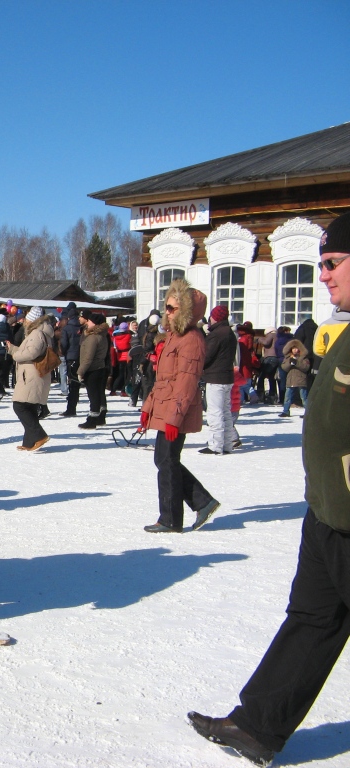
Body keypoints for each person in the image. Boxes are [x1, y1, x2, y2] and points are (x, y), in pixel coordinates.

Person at [187, 211, 350, 768]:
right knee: (309, 619)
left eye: (332, 263)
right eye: (322, 263)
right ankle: (259, 725)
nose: (323, 275)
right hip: (328, 512)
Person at [139, 279, 218, 533]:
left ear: (186, 312)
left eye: (173, 309)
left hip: (177, 409)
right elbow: (162, 379)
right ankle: (202, 502)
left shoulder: (192, 339)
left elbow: (186, 382)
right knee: (164, 459)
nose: (167, 312)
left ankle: (172, 518)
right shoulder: (174, 336)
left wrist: (174, 418)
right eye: (167, 307)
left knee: (167, 460)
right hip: (165, 405)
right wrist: (148, 408)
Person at [7, 307, 53, 451]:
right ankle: (29, 442)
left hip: (31, 375)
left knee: (20, 406)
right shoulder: (41, 332)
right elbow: (30, 351)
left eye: (27, 318)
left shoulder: (37, 333)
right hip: (34, 375)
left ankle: (39, 435)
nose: (24, 321)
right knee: (30, 407)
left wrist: (15, 355)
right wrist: (12, 349)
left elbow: (31, 352)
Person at [200, 305, 239, 455]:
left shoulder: (216, 334)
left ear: (214, 317)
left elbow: (207, 355)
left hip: (215, 377)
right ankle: (227, 444)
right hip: (227, 376)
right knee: (226, 412)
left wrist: (199, 367)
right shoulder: (229, 332)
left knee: (214, 412)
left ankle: (215, 445)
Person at [77, 310, 109, 429]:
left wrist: (80, 371)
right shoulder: (102, 335)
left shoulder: (93, 338)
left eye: (90, 321)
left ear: (95, 323)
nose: (88, 323)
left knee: (93, 395)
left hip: (93, 369)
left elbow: (88, 357)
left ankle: (92, 419)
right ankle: (100, 417)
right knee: (99, 394)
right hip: (100, 367)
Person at [58, 303, 83, 415]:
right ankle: (74, 402)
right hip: (81, 356)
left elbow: (64, 344)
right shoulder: (82, 327)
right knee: (77, 382)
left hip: (71, 356)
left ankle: (71, 408)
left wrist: (62, 352)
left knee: (71, 381)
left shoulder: (67, 328)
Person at [278, 338, 310, 417]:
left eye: (296, 348)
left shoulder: (303, 358)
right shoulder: (288, 358)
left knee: (304, 397)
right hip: (291, 380)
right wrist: (290, 362)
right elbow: (284, 367)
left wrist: (296, 363)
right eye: (293, 348)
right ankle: (286, 411)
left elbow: (306, 367)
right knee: (287, 397)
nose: (295, 350)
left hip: (301, 380)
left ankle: (308, 413)